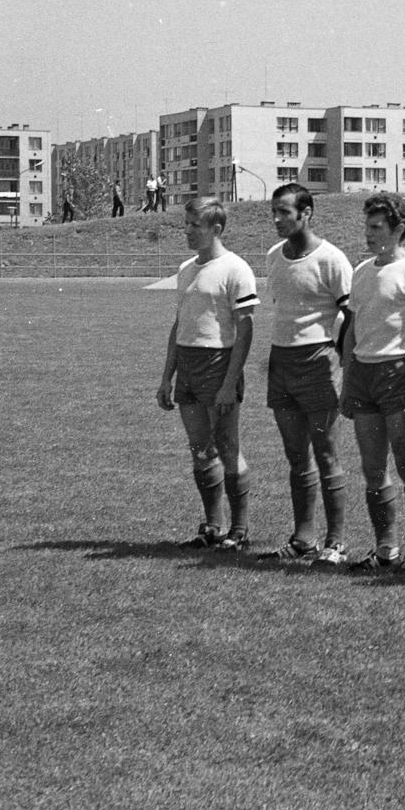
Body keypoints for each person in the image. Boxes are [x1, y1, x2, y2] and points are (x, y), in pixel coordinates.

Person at [339, 192, 405, 572]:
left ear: (398, 229)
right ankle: (385, 549)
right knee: (372, 468)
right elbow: (350, 332)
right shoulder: (362, 271)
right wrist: (347, 381)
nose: (368, 233)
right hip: (364, 374)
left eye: (376, 227)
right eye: (366, 225)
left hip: (398, 374)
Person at [256, 183, 355, 564]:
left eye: (285, 212)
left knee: (326, 453)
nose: (278, 220)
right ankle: (303, 539)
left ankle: (336, 542)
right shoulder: (272, 257)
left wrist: (338, 360)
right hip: (282, 361)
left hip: (319, 361)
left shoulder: (331, 259)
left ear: (306, 212)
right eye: (274, 213)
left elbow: (350, 315)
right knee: (296, 455)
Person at [157, 197, 260, 550]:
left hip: (218, 365)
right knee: (200, 448)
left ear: (215, 229)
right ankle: (213, 526)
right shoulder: (187, 268)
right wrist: (166, 376)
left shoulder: (235, 268)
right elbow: (179, 324)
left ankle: (240, 529)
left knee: (228, 446)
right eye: (185, 225)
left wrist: (230, 382)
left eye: (194, 226)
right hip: (187, 365)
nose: (187, 231)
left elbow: (245, 329)